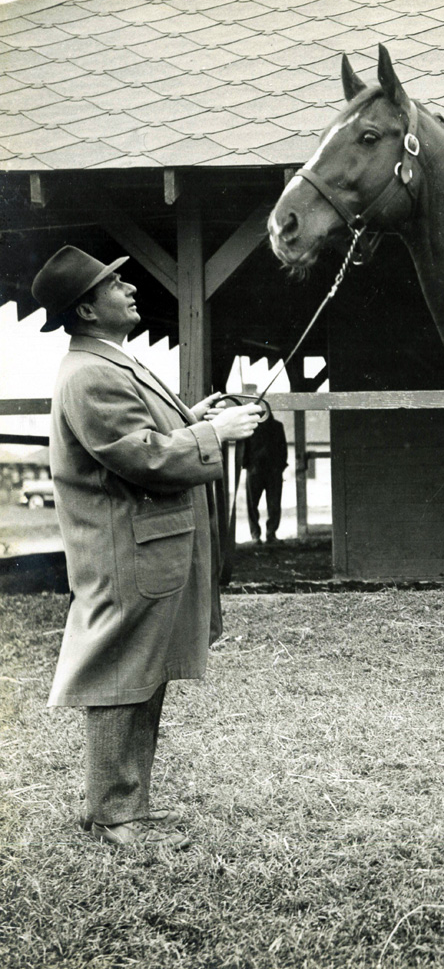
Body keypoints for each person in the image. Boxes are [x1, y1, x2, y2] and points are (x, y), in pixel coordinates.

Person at [32, 245, 262, 849]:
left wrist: (195, 417)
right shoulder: (90, 374)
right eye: (114, 285)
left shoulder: (110, 362)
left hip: (143, 547)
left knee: (141, 674)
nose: (129, 290)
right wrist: (213, 434)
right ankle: (116, 817)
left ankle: (122, 808)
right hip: (126, 552)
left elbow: (151, 432)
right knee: (121, 678)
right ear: (86, 309)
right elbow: (140, 455)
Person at [239, 404, 287, 543]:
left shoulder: (277, 427)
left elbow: (283, 449)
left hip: (273, 473)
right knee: (252, 505)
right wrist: (248, 465)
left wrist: (279, 468)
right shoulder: (250, 427)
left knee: (274, 504)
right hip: (254, 472)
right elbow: (244, 449)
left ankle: (271, 534)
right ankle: (255, 535)